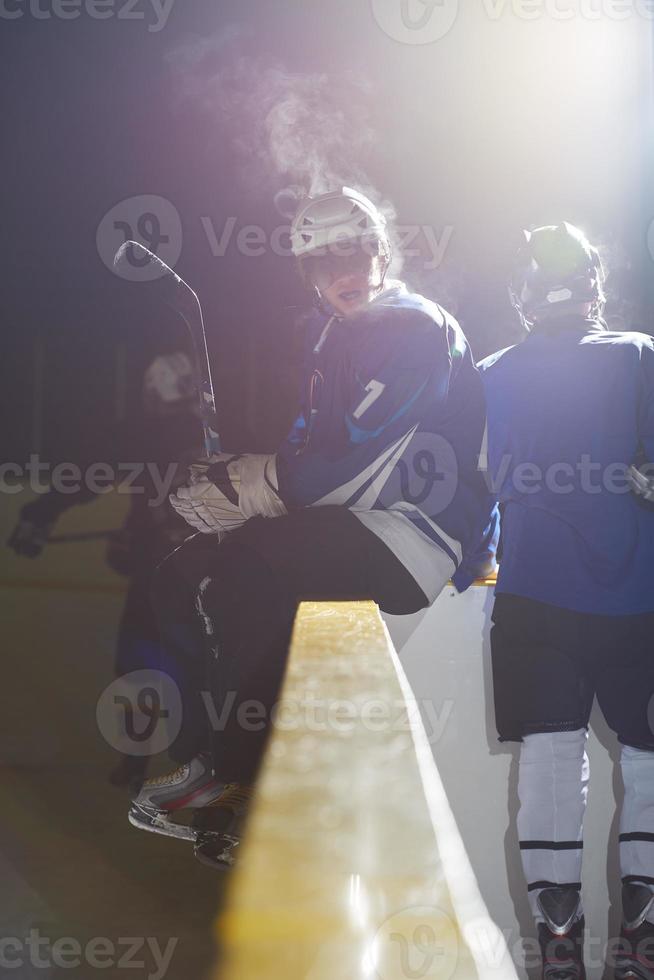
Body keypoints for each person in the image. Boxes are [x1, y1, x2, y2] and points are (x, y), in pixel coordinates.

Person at [129, 186, 498, 868]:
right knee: (191, 574)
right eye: (320, 262)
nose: (339, 272)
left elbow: (357, 462)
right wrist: (237, 475)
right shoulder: (335, 336)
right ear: (306, 274)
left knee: (240, 570)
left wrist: (253, 485)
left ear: (381, 251)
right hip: (355, 525)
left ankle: (231, 778)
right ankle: (235, 775)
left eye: (353, 252)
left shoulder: (414, 325)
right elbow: (305, 448)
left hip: (416, 534)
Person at [478, 223, 654, 980]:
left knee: (552, 761)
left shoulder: (489, 371)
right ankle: (641, 938)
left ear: (523, 292)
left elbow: (469, 488)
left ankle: (559, 946)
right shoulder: (639, 354)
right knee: (650, 761)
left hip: (533, 596)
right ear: (592, 286)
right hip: (638, 597)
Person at [7, 352, 203, 790]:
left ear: (155, 394)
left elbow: (92, 473)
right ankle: (203, 767)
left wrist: (42, 511)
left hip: (159, 576)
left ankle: (135, 765)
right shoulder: (220, 432)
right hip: (211, 575)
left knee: (139, 670)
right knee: (201, 670)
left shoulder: (147, 433)